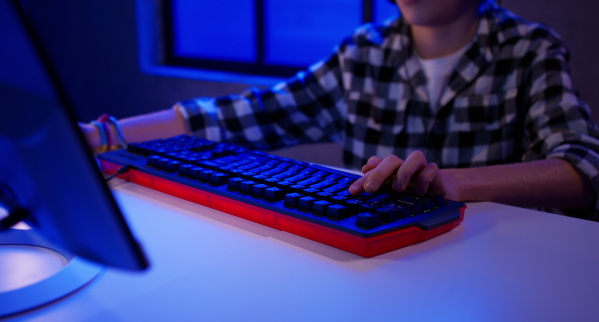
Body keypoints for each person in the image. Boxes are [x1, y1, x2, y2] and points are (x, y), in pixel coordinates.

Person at [81, 0, 599, 220]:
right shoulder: (363, 50)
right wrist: (100, 135)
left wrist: (456, 182)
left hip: (492, 267)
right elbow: (249, 112)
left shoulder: (530, 48)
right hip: (375, 257)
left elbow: (583, 168)